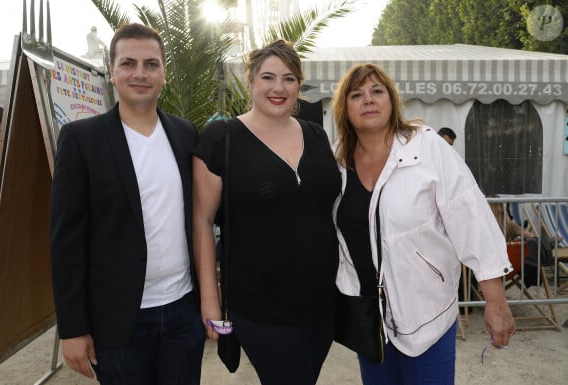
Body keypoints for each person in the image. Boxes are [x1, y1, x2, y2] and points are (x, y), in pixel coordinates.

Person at [331, 63, 516, 385]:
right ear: (344, 109)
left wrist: (496, 302)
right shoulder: (336, 162)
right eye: (356, 95)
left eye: (377, 91)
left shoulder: (427, 147)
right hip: (368, 316)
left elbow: (471, 219)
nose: (369, 100)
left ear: (392, 99)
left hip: (427, 311)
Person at [50, 23, 205, 385]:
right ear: (112, 71)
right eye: (128, 63)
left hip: (183, 312)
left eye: (151, 64)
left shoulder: (185, 134)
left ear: (164, 73)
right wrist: (72, 329)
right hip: (117, 322)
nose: (140, 73)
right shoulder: (80, 139)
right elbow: (66, 241)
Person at [192, 40, 341, 385]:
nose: (278, 88)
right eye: (268, 77)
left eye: (289, 79)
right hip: (261, 306)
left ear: (298, 86)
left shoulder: (317, 136)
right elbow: (200, 220)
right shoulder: (221, 138)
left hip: (321, 303)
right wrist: (210, 302)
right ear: (251, 80)